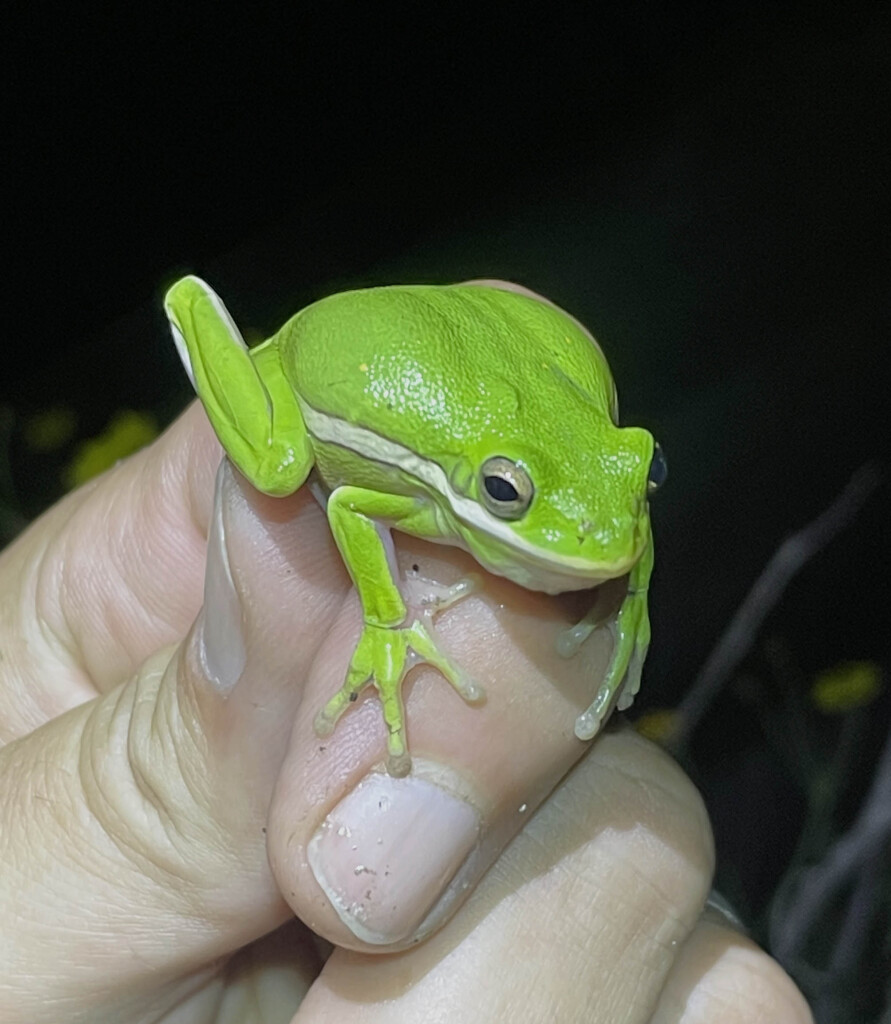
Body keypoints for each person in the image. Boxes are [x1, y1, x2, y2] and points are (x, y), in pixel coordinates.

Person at [0, 284, 812, 1023]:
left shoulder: (596, 498)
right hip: (324, 363)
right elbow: (351, 502)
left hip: (475, 367)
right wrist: (387, 621)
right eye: (507, 494)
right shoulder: (423, 493)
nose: (613, 533)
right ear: (481, 484)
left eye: (646, 477)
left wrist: (627, 593)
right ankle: (201, 314)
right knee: (280, 469)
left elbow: (613, 509)